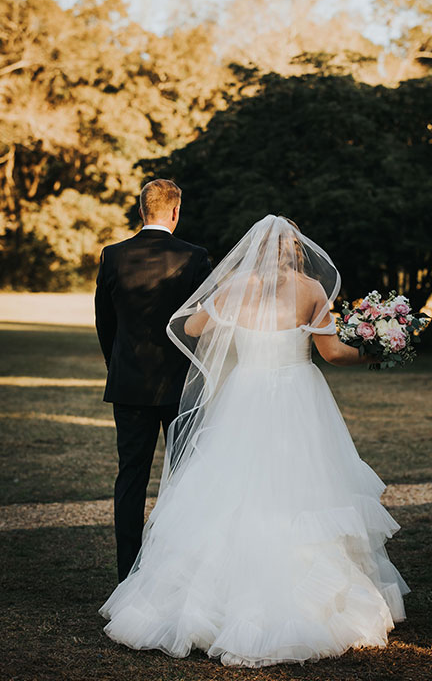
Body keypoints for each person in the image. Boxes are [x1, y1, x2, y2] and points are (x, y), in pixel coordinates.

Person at [99, 214, 410, 667]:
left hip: (243, 395)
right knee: (302, 492)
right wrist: (377, 347)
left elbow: (189, 328)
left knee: (231, 492)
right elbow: (333, 353)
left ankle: (205, 604)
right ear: (297, 248)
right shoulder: (311, 290)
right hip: (298, 398)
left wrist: (230, 322)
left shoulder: (232, 287)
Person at [94, 178, 211, 582]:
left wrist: (119, 365)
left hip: (129, 384)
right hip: (181, 386)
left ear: (141, 209)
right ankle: (177, 571)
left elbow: (104, 323)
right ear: (175, 211)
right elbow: (202, 328)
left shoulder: (112, 256)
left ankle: (128, 574)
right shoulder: (194, 258)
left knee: (131, 478)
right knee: (183, 478)